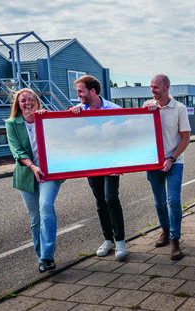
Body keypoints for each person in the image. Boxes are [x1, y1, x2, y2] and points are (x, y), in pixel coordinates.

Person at [5, 88, 65, 272]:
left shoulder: (46, 119)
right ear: (18, 104)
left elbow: (64, 136)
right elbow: (17, 150)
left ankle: (48, 256)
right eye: (23, 100)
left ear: (37, 102)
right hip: (27, 174)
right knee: (35, 218)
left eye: (31, 100)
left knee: (46, 206)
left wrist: (47, 120)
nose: (27, 103)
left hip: (49, 173)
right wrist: (32, 166)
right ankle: (42, 259)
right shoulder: (12, 124)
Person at [70, 75, 128, 260]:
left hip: (111, 161)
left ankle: (120, 241)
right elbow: (70, 134)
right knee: (100, 202)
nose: (78, 95)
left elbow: (125, 135)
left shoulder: (114, 109)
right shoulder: (79, 111)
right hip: (91, 162)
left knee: (111, 198)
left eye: (80, 91)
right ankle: (108, 240)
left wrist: (123, 161)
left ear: (92, 91)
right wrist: (75, 116)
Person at [144, 74, 191, 260]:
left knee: (174, 201)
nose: (153, 90)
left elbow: (186, 138)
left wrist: (171, 158)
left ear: (166, 87)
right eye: (151, 87)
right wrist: (146, 112)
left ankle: (175, 240)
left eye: (156, 87)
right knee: (159, 202)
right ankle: (164, 231)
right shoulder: (148, 107)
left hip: (174, 161)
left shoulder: (179, 109)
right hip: (154, 163)